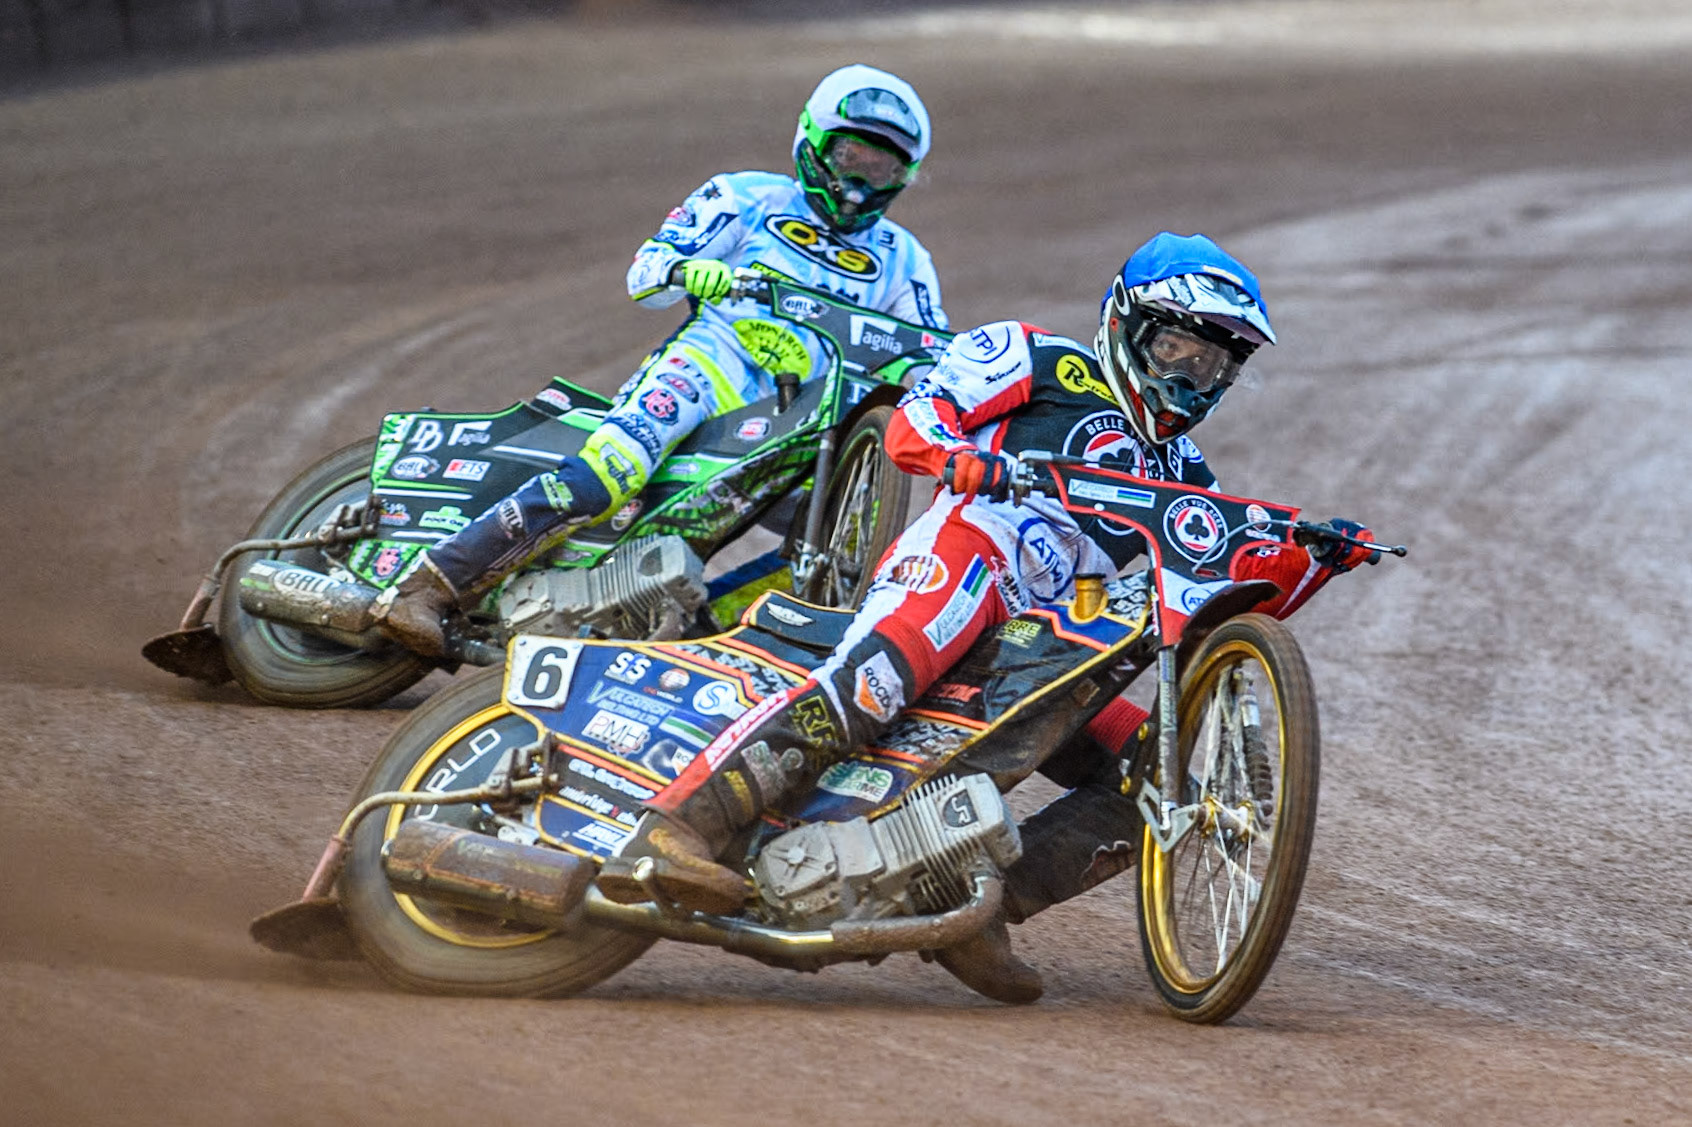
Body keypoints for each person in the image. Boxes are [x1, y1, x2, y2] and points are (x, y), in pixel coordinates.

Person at [596, 231, 1379, 1004]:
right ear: (1127, 323)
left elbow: (1203, 615)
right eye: (1178, 349)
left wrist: (1307, 555)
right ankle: (677, 824)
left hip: (1047, 641)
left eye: (1216, 365)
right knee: (877, 676)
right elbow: (917, 419)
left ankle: (979, 912)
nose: (1195, 377)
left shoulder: (1189, 476)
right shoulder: (1036, 356)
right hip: (966, 559)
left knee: (1156, 767)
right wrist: (956, 456)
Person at [375, 64, 948, 656]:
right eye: (851, 156)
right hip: (706, 368)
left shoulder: (905, 259)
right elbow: (645, 273)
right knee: (608, 475)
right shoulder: (746, 196)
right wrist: (686, 269)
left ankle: (704, 639)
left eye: (882, 168)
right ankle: (427, 587)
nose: (860, 182)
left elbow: (930, 354)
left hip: (800, 419)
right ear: (812, 142)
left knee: (837, 544)